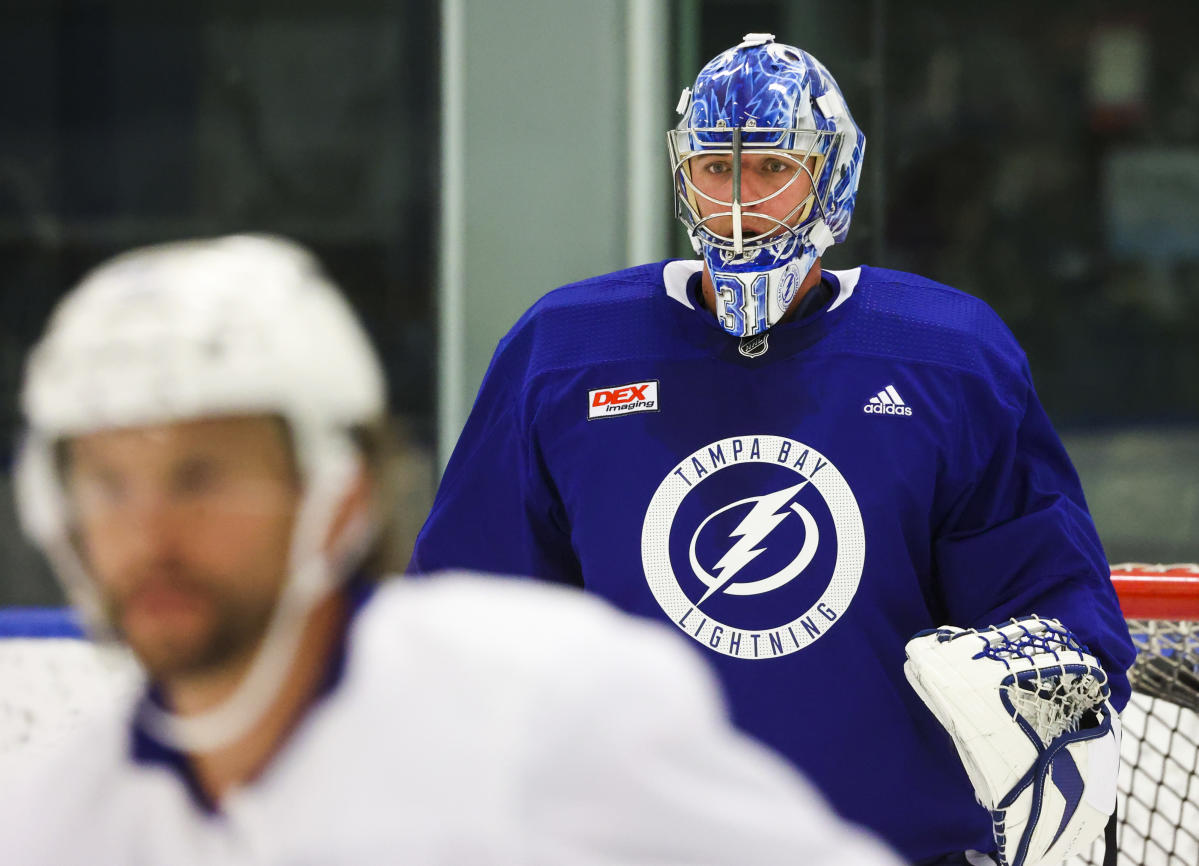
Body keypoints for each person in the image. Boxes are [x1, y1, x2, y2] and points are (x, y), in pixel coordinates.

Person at [410, 34, 1137, 864]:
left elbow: (1050, 599)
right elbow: (466, 613)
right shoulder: (565, 351)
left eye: (770, 169)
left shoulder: (946, 356)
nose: (736, 205)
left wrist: (1049, 685)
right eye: (714, 169)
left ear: (831, 177)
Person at [0, 234, 902, 865]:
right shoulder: (63, 825)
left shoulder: (553, 709)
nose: (147, 535)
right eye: (107, 485)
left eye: (202, 478)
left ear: (338, 489)